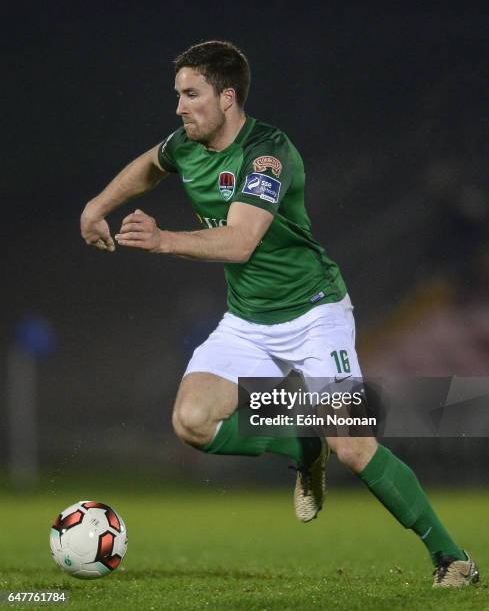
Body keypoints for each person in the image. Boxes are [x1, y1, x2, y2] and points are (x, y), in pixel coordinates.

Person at [80, 40, 478, 588]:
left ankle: (452, 558)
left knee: (355, 446)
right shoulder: (186, 145)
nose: (179, 107)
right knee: (191, 421)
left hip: (316, 315)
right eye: (177, 95)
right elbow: (150, 166)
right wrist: (97, 206)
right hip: (248, 321)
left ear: (228, 96)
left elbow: (242, 241)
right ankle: (301, 441)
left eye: (191, 95)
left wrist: (163, 239)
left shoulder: (268, 152)